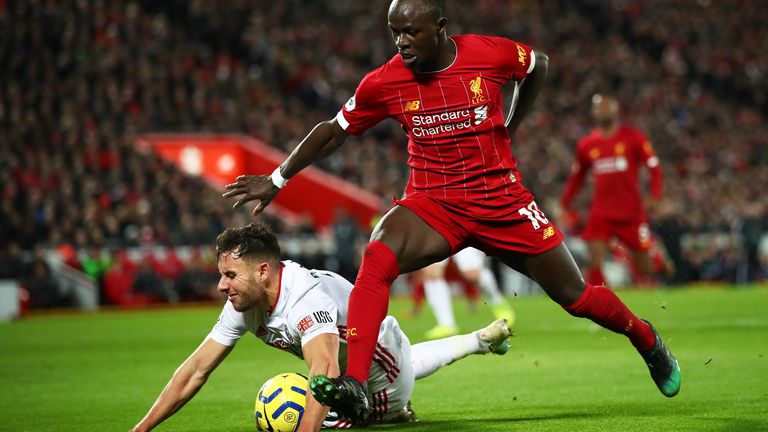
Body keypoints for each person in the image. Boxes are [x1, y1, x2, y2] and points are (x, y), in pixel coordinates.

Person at [223, 0, 681, 421]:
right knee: (379, 253)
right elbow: (334, 130)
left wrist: (511, 122)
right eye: (394, 32)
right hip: (433, 203)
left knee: (576, 297)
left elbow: (537, 64)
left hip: (502, 201)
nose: (401, 42)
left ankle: (646, 339)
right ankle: (357, 385)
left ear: (440, 28)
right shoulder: (385, 81)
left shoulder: (489, 54)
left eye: (411, 32)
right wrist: (278, 177)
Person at [129, 223, 512, 432]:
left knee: (325, 409)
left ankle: (394, 409)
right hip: (377, 352)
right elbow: (196, 370)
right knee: (390, 367)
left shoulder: (305, 301)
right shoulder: (245, 303)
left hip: (376, 373)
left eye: (230, 275)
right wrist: (142, 429)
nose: (221, 285)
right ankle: (478, 340)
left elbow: (324, 371)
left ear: (263, 271)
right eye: (221, 275)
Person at [561, 94, 666, 287]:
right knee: (594, 258)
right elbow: (577, 177)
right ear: (594, 113)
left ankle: (659, 263)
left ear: (616, 110)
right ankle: (599, 301)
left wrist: (655, 196)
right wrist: (565, 204)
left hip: (631, 212)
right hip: (601, 212)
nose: (603, 111)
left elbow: (655, 170)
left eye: (607, 107)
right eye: (600, 107)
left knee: (645, 267)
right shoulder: (586, 145)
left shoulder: (634, 138)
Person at [421, 247, 515, 339]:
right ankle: (446, 324)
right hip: (439, 232)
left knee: (472, 275)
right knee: (431, 271)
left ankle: (497, 302)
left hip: (461, 232)